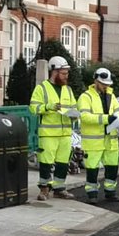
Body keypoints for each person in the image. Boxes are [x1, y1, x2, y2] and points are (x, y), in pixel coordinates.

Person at [28, 56, 77, 200]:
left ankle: (59, 188)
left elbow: (74, 106)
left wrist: (75, 114)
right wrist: (48, 107)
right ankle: (44, 189)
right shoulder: (42, 88)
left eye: (67, 73)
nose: (66, 76)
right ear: (54, 72)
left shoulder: (67, 89)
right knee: (46, 162)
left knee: (63, 162)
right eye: (63, 73)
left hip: (65, 133)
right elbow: (33, 108)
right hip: (48, 133)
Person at [76, 67, 119, 203]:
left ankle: (110, 192)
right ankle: (92, 194)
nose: (106, 86)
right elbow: (85, 116)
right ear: (96, 81)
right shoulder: (85, 97)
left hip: (110, 139)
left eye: (108, 84)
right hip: (94, 141)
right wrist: (106, 119)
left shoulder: (111, 96)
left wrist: (118, 118)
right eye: (104, 84)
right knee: (92, 168)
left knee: (112, 167)